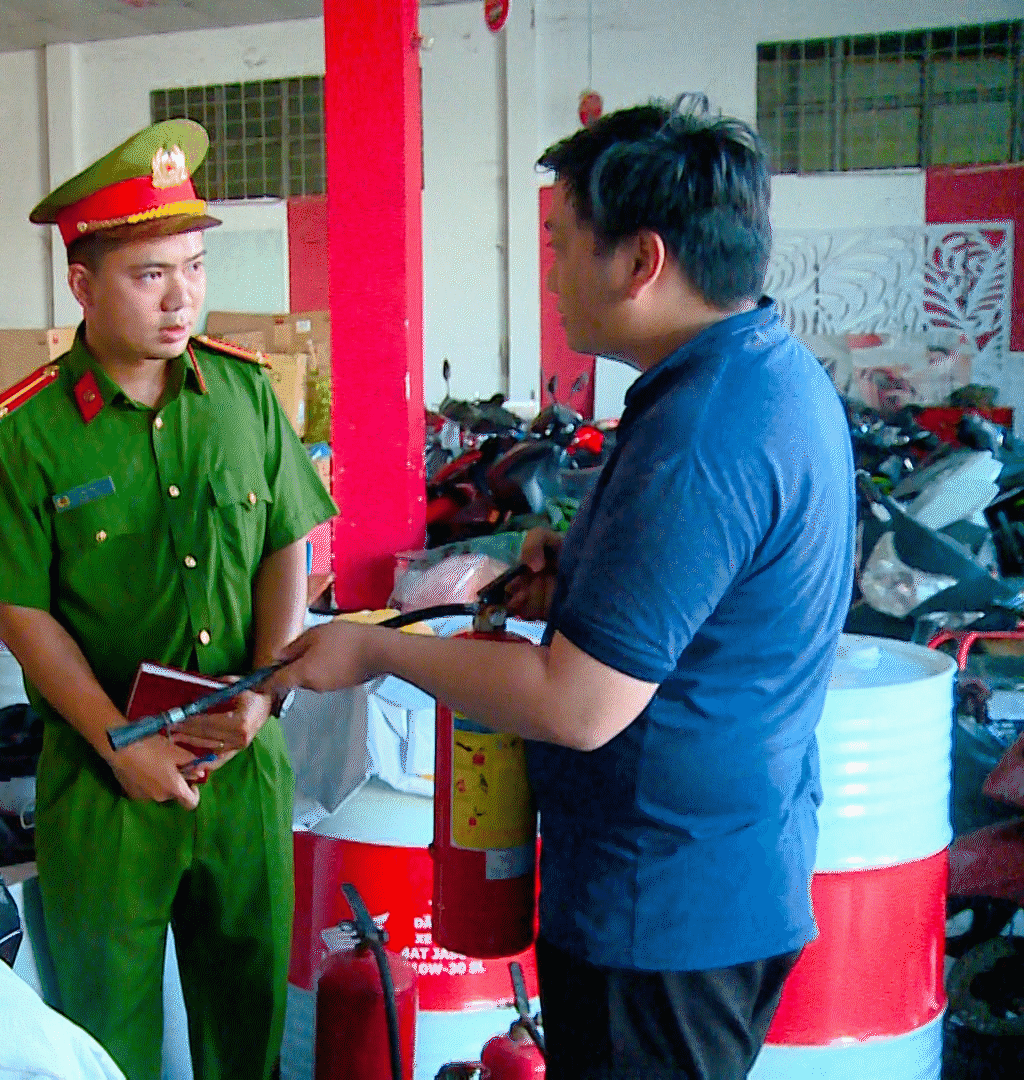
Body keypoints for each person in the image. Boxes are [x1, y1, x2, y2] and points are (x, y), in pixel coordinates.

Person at [267, 95, 855, 1079]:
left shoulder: (702, 434)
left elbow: (580, 707)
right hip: (730, 868)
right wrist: (577, 573)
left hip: (661, 909)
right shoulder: (767, 375)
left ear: (640, 262)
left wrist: (370, 650)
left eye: (560, 242)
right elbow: (697, 606)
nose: (550, 274)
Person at [0, 118, 336, 1080]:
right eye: (149, 274)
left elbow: (292, 538)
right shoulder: (22, 431)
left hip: (242, 764)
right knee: (103, 1039)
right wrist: (124, 741)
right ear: (82, 282)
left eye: (194, 268)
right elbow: (19, 611)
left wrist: (265, 686)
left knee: (246, 1026)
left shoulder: (243, 396)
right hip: (105, 777)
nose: (181, 299)